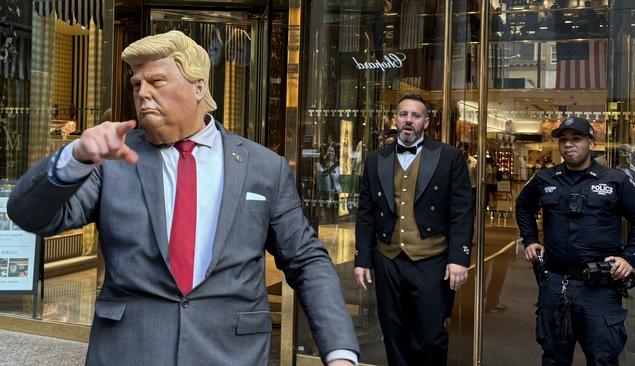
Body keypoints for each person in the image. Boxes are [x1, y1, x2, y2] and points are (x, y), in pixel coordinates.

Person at [7, 31, 359, 365]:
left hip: (230, 353)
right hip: (129, 352)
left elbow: (306, 260)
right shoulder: (112, 162)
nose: (143, 93)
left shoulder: (262, 166)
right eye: (136, 84)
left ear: (199, 86)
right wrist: (75, 158)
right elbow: (30, 216)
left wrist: (339, 349)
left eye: (157, 81)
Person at [515, 117, 635, 366]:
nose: (568, 145)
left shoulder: (614, 180)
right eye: (563, 140)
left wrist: (630, 258)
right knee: (554, 358)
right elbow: (523, 206)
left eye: (576, 139)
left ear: (590, 142)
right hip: (555, 284)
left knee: (603, 359)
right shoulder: (545, 179)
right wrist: (530, 238)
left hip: (599, 289)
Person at [354, 94, 473, 365]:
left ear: (426, 122)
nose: (409, 121)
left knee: (430, 337)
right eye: (403, 114)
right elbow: (366, 212)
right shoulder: (376, 160)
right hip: (388, 258)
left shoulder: (449, 157)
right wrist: (362, 258)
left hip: (431, 259)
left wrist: (459, 258)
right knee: (393, 333)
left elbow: (462, 212)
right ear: (395, 119)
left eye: (415, 116)